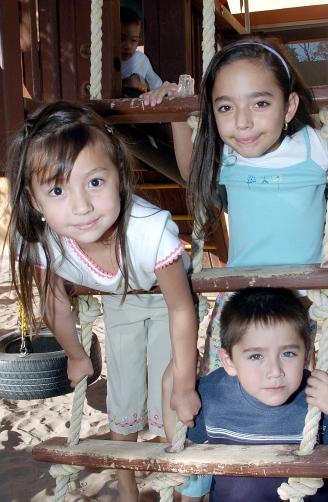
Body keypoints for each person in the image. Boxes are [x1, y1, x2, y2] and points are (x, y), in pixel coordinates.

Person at [141, 39, 328, 375]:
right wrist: (177, 114)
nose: (242, 122)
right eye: (225, 108)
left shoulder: (312, 145)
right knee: (223, 378)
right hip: (238, 294)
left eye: (259, 103)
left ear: (288, 107)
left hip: (296, 298)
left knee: (289, 385)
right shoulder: (228, 154)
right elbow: (189, 172)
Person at [5, 101, 200, 502]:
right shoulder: (39, 241)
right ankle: (128, 492)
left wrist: (184, 382)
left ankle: (176, 490)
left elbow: (181, 309)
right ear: (34, 200)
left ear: (120, 176)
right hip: (118, 301)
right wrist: (76, 354)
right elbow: (55, 303)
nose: (81, 206)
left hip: (167, 303)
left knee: (172, 401)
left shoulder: (150, 232)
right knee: (122, 399)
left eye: (95, 182)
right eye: (58, 190)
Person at [163, 287, 328, 501]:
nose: (275, 371)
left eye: (288, 353)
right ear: (229, 361)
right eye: (256, 356)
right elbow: (181, 446)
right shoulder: (213, 393)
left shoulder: (322, 399)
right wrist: (168, 388)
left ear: (305, 354)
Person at [120, 6, 163, 96]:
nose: (128, 46)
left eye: (133, 40)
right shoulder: (106, 60)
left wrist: (143, 86)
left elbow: (158, 86)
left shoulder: (142, 60)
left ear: (139, 40)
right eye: (122, 39)